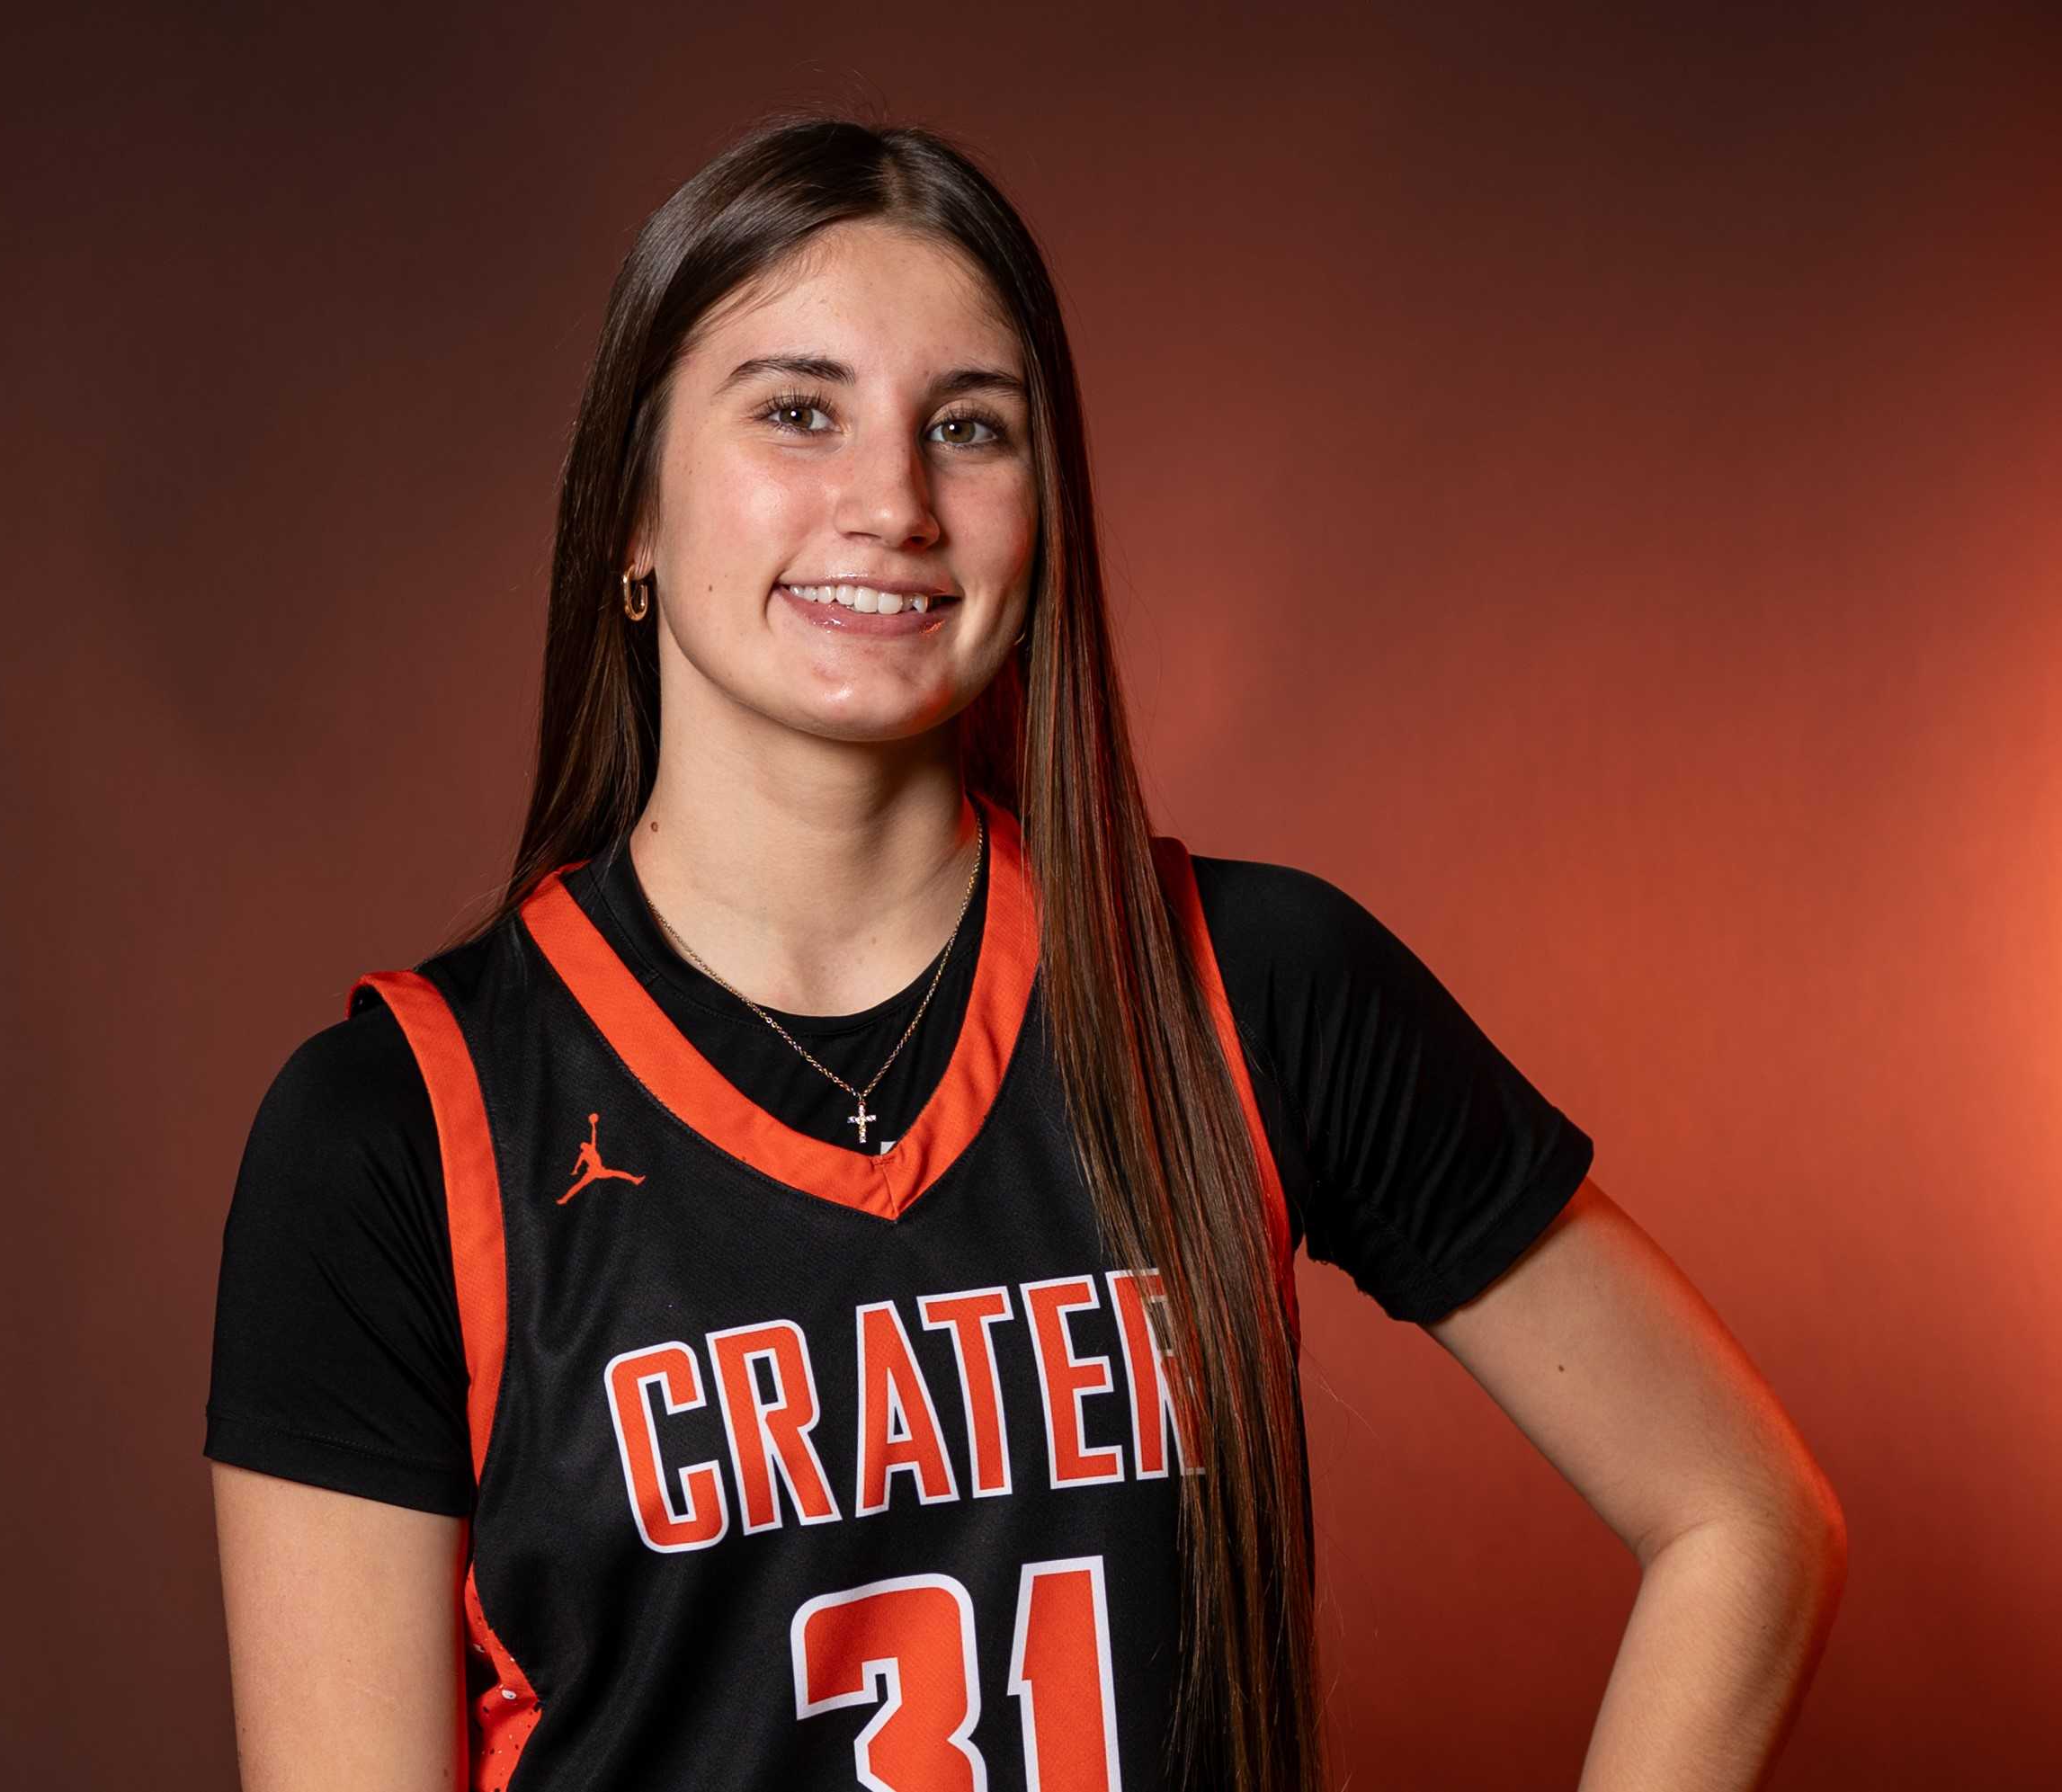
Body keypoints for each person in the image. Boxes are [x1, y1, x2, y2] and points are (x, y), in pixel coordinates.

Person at [204, 113, 1845, 1792]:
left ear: (1044, 515)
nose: (893, 503)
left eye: (969, 427)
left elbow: (1744, 1514)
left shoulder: (1248, 986)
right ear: (630, 511)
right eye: (798, 410)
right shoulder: (394, 1133)